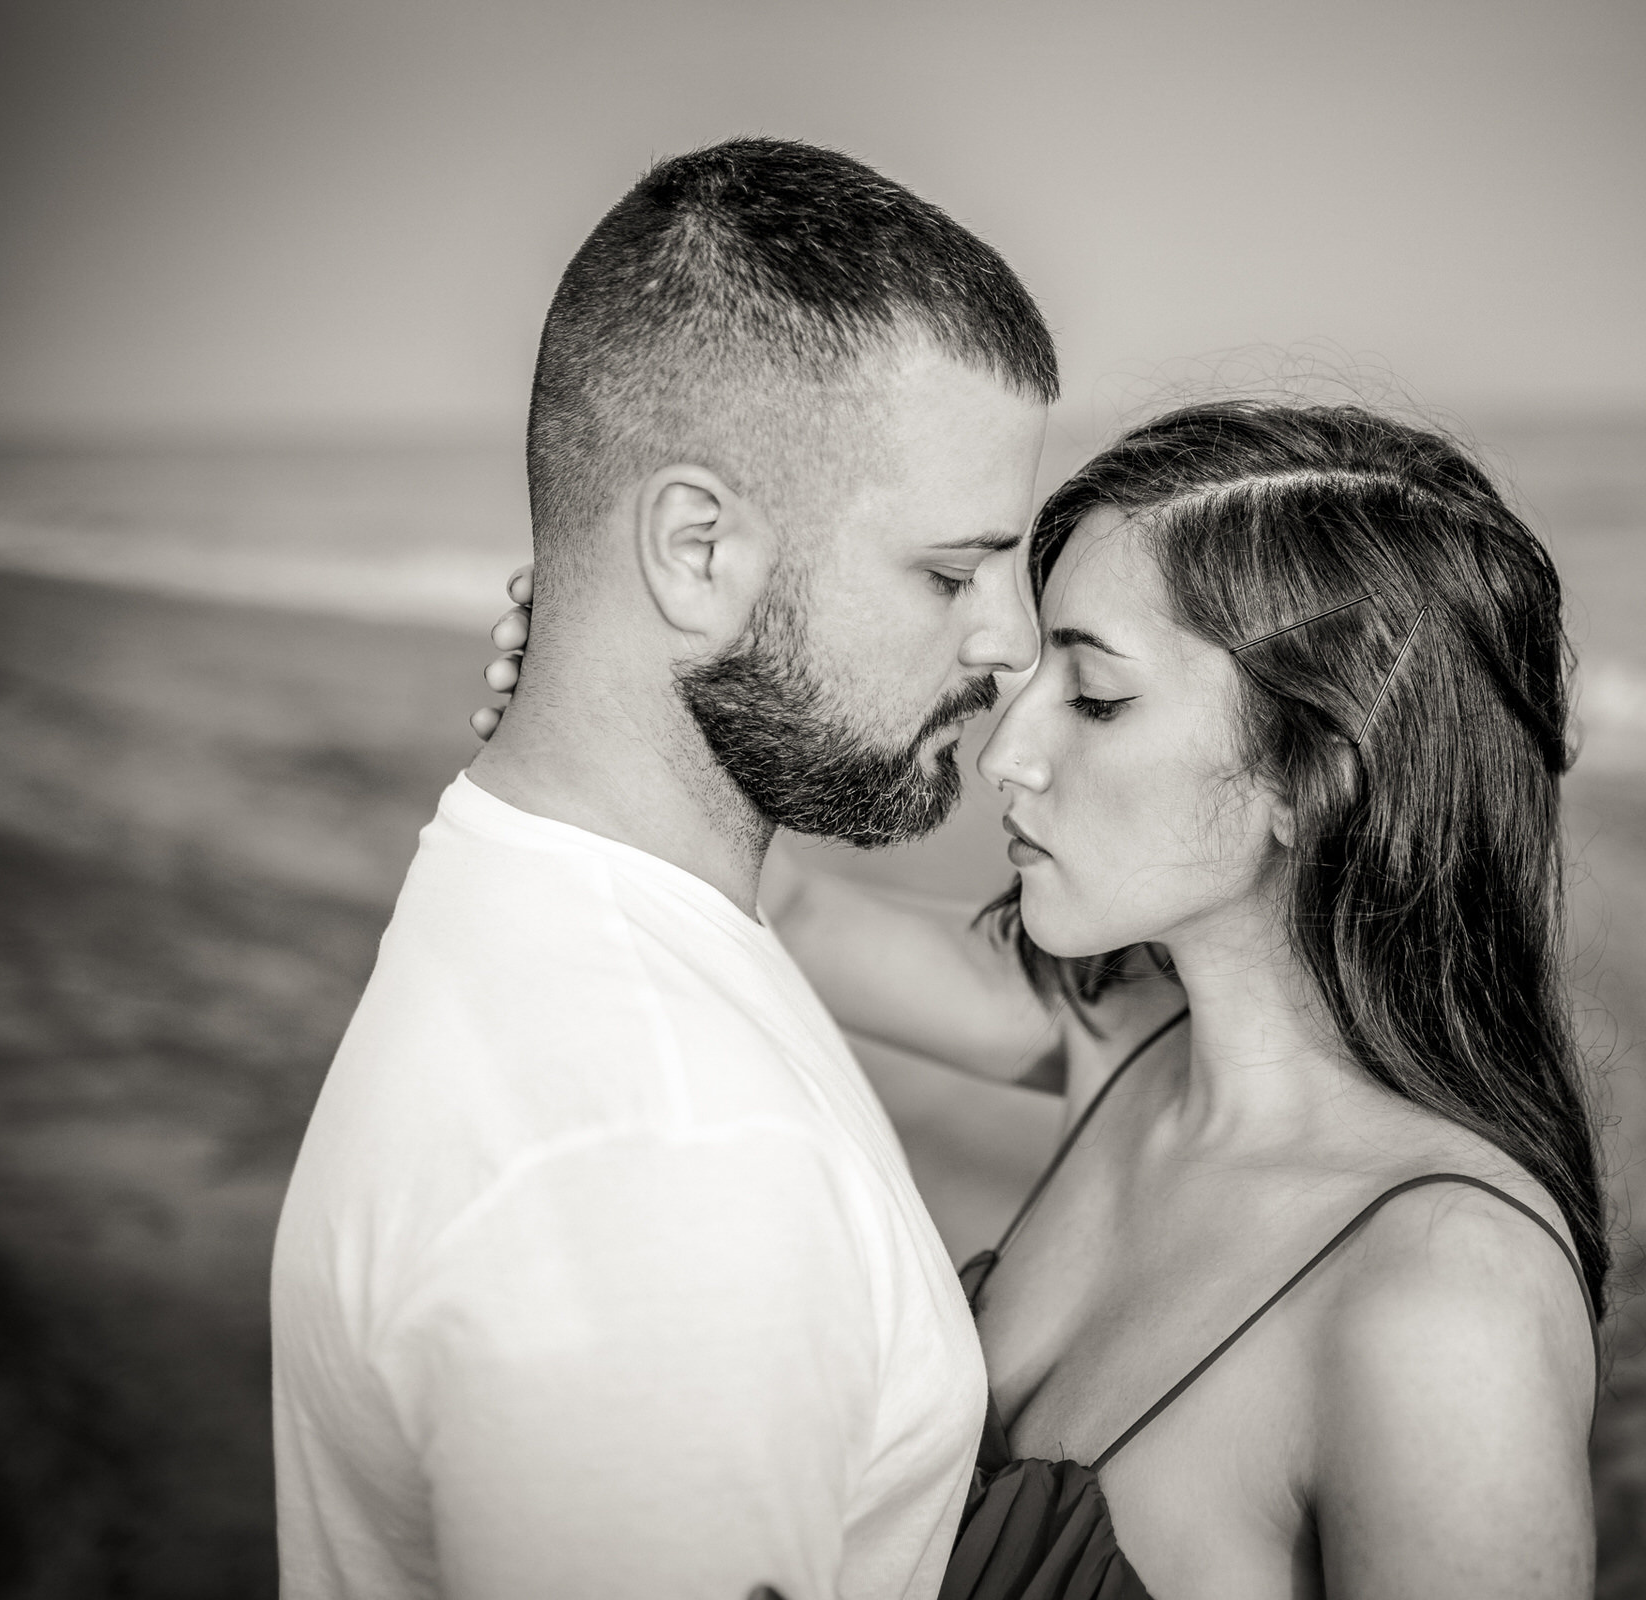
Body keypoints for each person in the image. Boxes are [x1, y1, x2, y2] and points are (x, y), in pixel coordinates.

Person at [482, 399, 1612, 1595]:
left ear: (1315, 775)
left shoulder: (1446, 1306)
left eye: (1097, 698)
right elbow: (785, 908)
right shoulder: (1123, 1036)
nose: (1007, 751)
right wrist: (612, 704)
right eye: (1032, 678)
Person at [270, 137, 1057, 1600]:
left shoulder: (534, 887)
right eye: (952, 573)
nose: (1014, 643)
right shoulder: (668, 1178)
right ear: (695, 548)